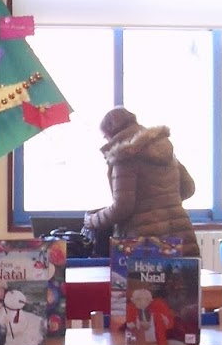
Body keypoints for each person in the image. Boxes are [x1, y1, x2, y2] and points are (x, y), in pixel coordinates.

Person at [84, 106, 200, 256]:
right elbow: (188, 188)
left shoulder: (124, 155)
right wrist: (162, 202)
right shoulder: (163, 148)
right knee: (180, 279)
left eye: (105, 137)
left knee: (148, 279)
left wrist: (92, 220)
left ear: (110, 132)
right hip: (181, 235)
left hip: (146, 243)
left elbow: (123, 208)